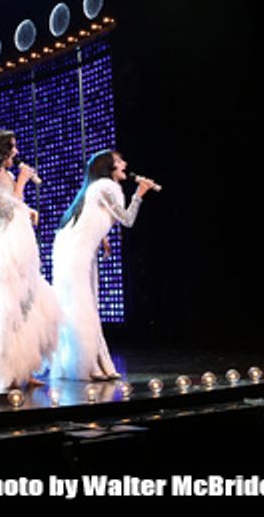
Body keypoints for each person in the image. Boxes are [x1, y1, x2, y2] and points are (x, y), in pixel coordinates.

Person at [0, 130, 60, 397]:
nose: (16, 153)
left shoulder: (6, 175)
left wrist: (28, 208)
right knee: (8, 310)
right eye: (12, 148)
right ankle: (4, 372)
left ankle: (25, 369)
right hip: (2, 249)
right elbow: (6, 211)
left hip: (21, 245)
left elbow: (16, 207)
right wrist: (23, 183)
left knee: (29, 307)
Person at [50, 150, 155, 381]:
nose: (125, 164)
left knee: (84, 307)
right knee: (83, 308)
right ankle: (90, 366)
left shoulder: (97, 187)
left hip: (75, 252)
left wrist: (102, 238)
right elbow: (127, 219)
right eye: (119, 161)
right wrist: (139, 194)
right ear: (109, 167)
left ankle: (97, 364)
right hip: (76, 255)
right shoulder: (107, 186)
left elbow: (92, 218)